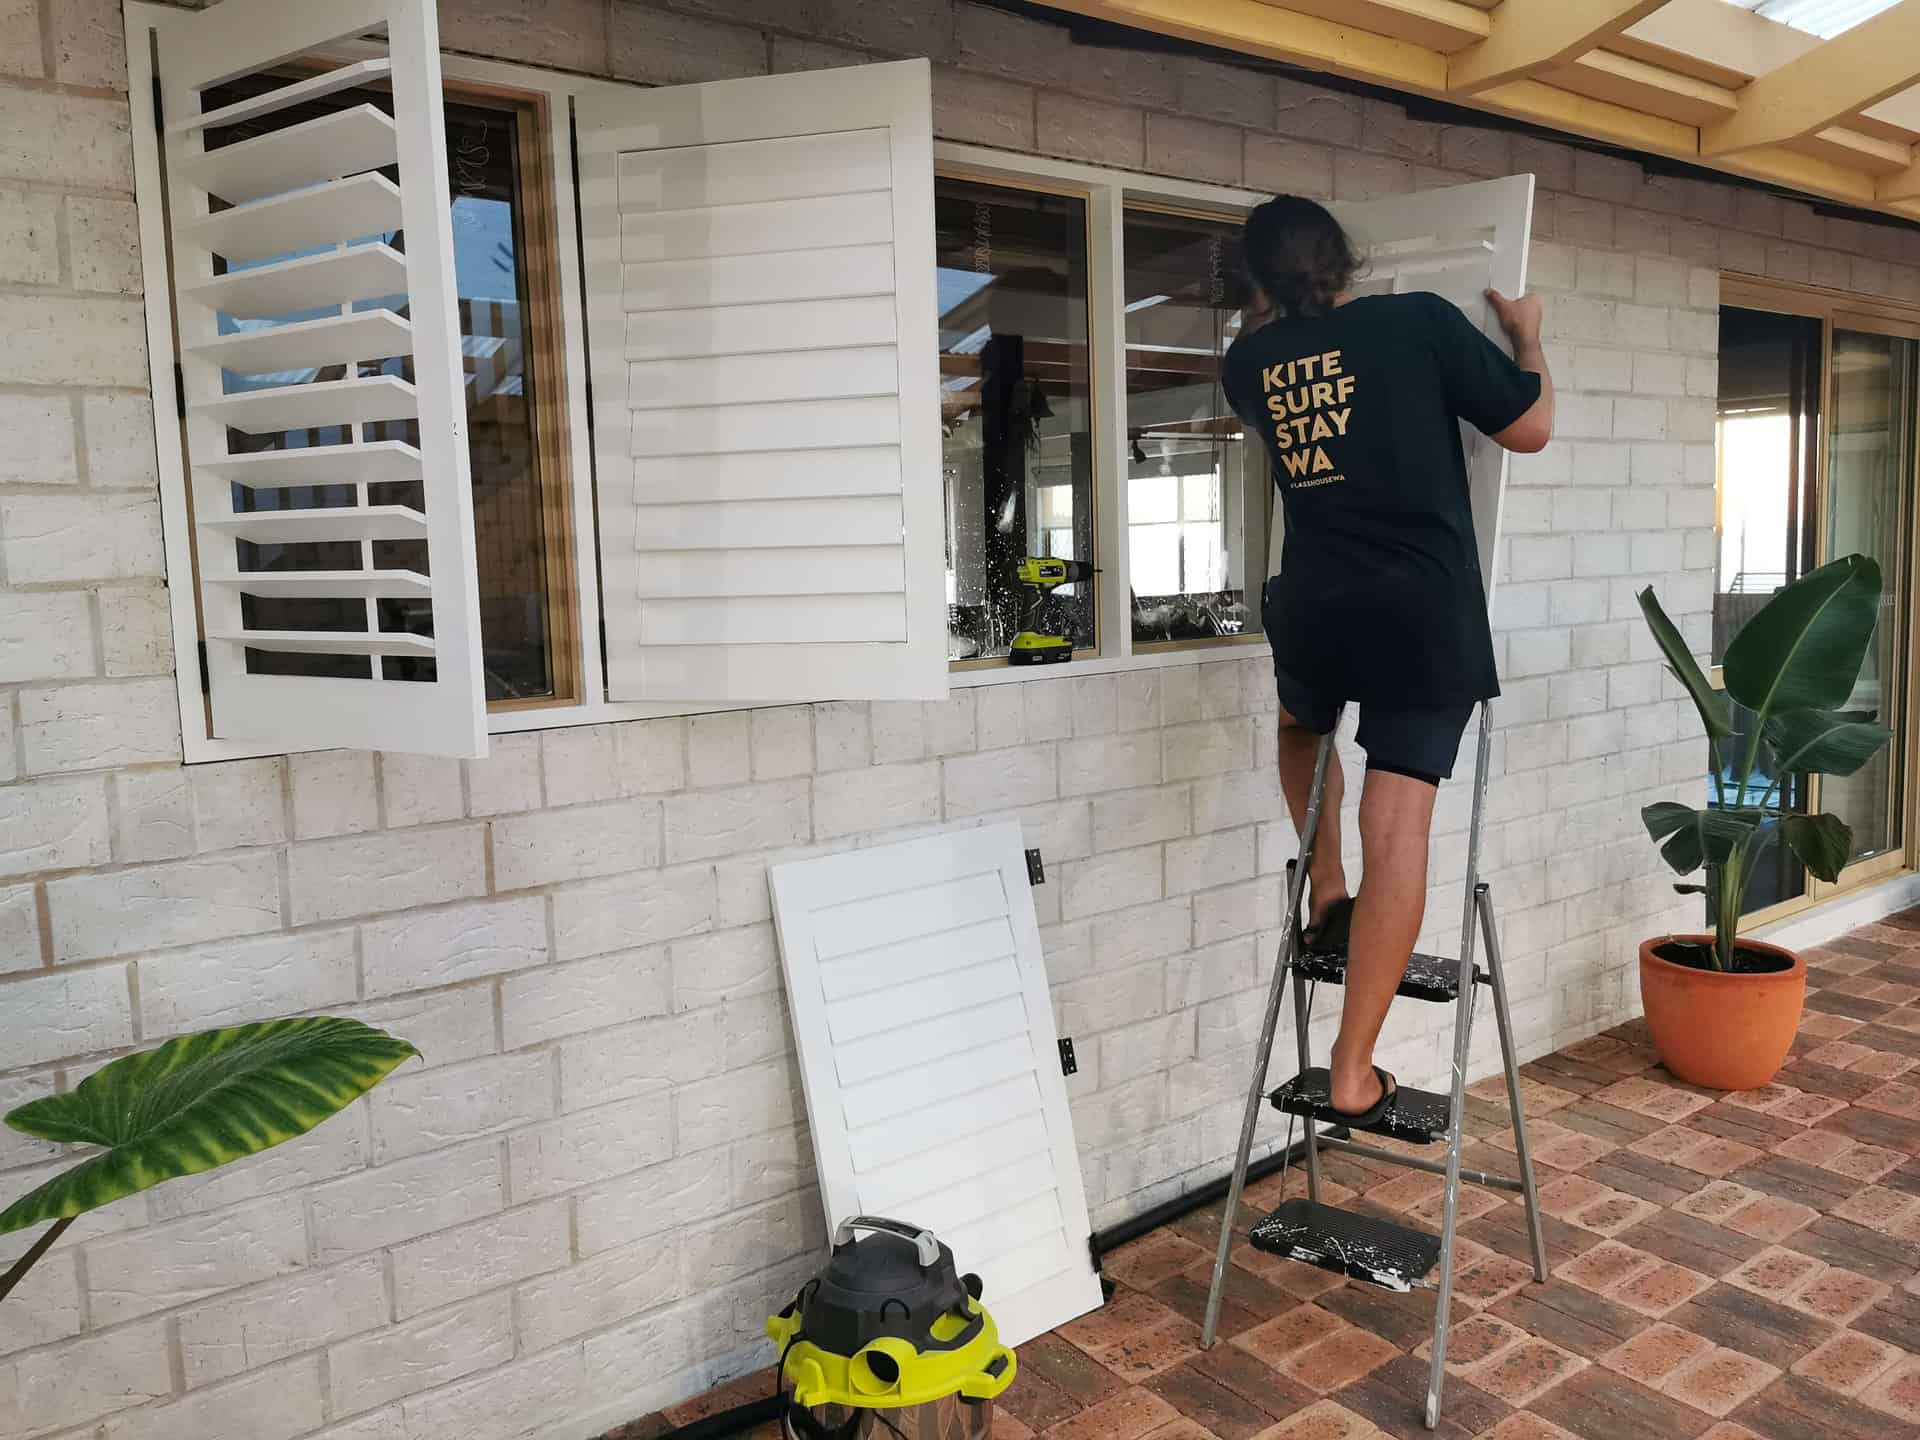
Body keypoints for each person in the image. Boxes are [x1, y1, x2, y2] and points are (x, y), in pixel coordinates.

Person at [1220, 195, 1554, 1124]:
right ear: (1350, 261)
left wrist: (1271, 321)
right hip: (1421, 609)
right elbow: (1527, 427)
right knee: (1397, 826)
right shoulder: (1418, 322)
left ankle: (1326, 888)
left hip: (1319, 604)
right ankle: (1353, 1070)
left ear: (1255, 282)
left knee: (1300, 727)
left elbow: (1302, 391)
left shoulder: (1247, 365)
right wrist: (1526, 337)